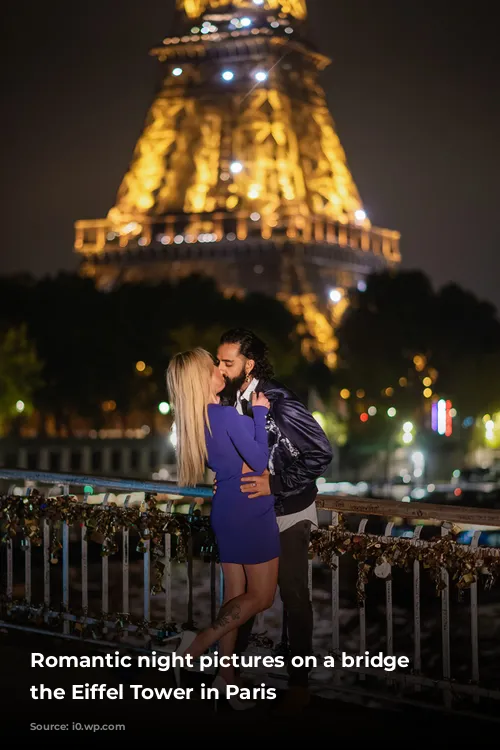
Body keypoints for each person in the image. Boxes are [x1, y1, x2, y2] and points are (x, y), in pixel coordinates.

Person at [216, 328, 333, 713]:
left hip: (287, 511)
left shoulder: (280, 402)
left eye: (226, 363)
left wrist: (276, 483)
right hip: (252, 510)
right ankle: (229, 674)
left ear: (248, 366)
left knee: (293, 595)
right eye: (218, 361)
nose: (219, 368)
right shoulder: (226, 400)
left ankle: (298, 683)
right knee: (248, 596)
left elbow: (319, 452)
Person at [165, 347, 280, 710]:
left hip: (226, 509)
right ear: (202, 378)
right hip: (252, 508)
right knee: (262, 597)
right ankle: (198, 644)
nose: (219, 369)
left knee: (235, 593)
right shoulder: (225, 415)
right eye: (212, 366)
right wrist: (260, 414)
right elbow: (260, 460)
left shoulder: (195, 421)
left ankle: (225, 678)